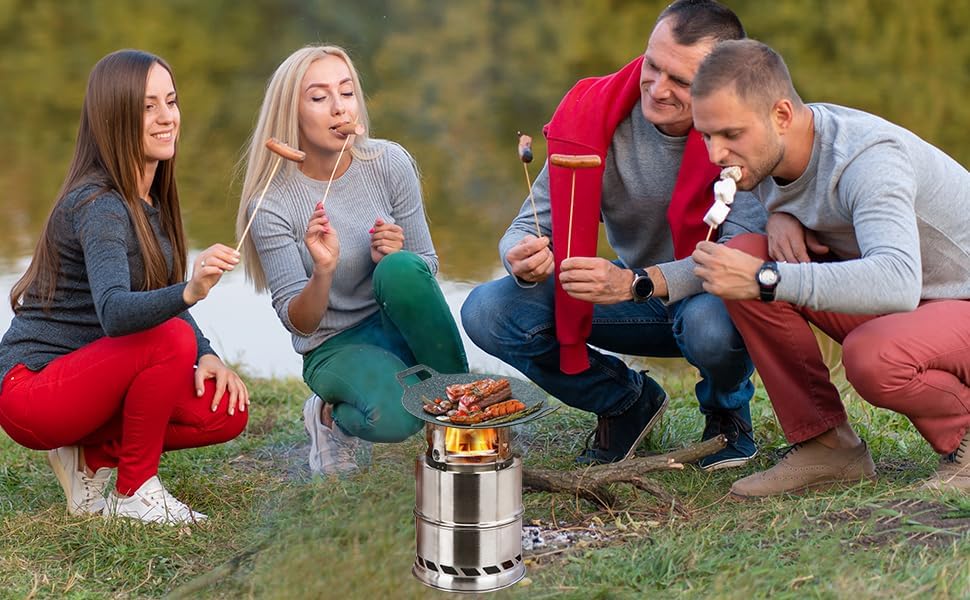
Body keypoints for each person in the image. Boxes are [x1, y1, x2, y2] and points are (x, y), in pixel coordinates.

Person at [461, 0, 766, 467]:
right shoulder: (591, 113)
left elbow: (737, 258)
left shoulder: (749, 132)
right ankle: (626, 401)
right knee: (489, 311)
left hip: (711, 293)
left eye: (681, 81)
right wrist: (520, 256)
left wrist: (634, 283)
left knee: (710, 326)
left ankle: (727, 413)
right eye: (652, 66)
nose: (657, 89)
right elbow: (529, 222)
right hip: (635, 293)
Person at [690, 39, 970, 496]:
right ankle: (827, 445)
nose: (715, 154)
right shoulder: (769, 155)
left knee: (872, 355)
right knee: (746, 252)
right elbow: (734, 262)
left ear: (782, 115)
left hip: (949, 297)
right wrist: (640, 283)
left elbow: (897, 281)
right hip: (924, 303)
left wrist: (766, 278)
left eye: (730, 134)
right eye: (706, 135)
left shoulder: (868, 158)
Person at [0, 50, 249, 525]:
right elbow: (116, 313)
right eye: (147, 107)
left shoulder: (149, 201)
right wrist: (190, 290)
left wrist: (207, 353)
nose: (166, 117)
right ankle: (135, 492)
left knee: (224, 411)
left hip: (92, 381)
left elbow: (156, 298)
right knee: (170, 339)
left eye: (170, 102)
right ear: (114, 118)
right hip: (32, 391)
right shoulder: (99, 205)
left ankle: (90, 459)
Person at [237, 45, 468, 476]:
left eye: (346, 93)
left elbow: (427, 266)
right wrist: (323, 269)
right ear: (291, 112)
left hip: (395, 323)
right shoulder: (270, 204)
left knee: (402, 268)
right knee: (398, 416)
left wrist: (395, 257)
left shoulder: (390, 162)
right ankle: (328, 418)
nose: (339, 107)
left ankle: (464, 416)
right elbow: (299, 323)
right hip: (333, 344)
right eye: (319, 97)